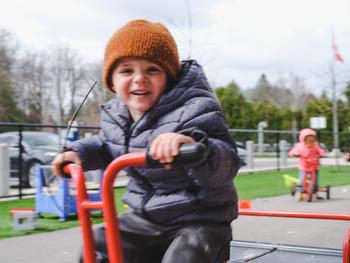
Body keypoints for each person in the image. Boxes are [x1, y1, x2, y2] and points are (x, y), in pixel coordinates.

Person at [52, 19, 240, 263]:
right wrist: (78, 154)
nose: (139, 78)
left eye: (152, 69)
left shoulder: (196, 107)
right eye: (127, 71)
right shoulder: (116, 115)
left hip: (199, 219)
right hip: (147, 219)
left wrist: (194, 145)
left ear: (169, 77)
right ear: (112, 82)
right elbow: (106, 145)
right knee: (99, 245)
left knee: (185, 256)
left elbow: (227, 162)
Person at [288, 128, 325, 201]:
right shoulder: (299, 146)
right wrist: (295, 154)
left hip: (314, 166)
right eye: (308, 141)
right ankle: (300, 191)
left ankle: (315, 192)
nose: (311, 143)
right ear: (303, 140)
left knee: (315, 181)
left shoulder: (315, 146)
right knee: (302, 181)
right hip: (304, 166)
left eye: (312, 141)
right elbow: (293, 152)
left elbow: (320, 151)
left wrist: (321, 154)